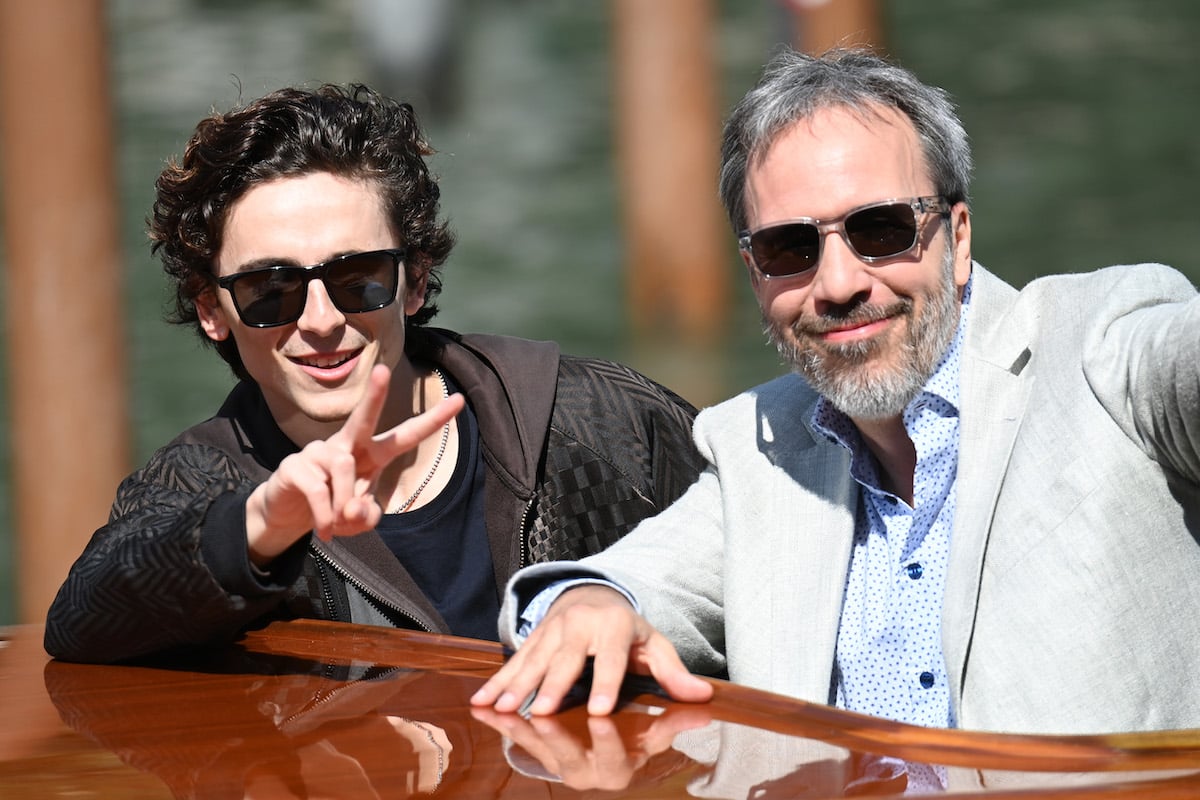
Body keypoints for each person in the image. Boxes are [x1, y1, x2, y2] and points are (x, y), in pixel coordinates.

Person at [470, 46, 1200, 735]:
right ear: (756, 276)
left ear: (960, 238)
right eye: (791, 247)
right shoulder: (756, 446)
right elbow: (621, 584)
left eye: (881, 229)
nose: (840, 284)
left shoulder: (1106, 347)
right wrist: (590, 602)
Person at [43, 83, 704, 663]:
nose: (321, 319)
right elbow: (81, 621)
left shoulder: (591, 416)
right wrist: (261, 527)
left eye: (356, 278)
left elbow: (764, 547)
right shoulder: (200, 478)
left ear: (413, 282)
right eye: (271, 290)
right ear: (213, 311)